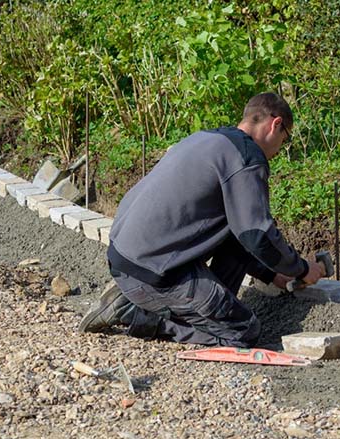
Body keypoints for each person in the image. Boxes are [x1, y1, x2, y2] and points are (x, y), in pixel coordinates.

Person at [79, 92, 324, 347]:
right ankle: (139, 316)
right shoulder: (247, 157)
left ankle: (160, 306)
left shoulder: (209, 138)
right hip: (152, 273)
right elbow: (257, 234)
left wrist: (273, 275)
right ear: (276, 124)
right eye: (284, 140)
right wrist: (302, 269)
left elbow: (240, 233)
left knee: (233, 237)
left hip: (128, 257)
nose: (278, 151)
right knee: (243, 331)